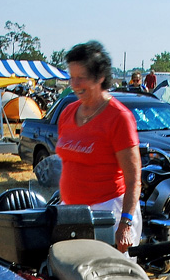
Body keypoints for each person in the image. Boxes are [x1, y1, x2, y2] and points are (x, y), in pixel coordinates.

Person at [56, 41, 141, 253]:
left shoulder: (119, 118)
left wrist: (125, 224)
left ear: (100, 77)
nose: (74, 84)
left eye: (81, 77)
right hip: (71, 212)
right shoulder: (67, 113)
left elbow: (133, 180)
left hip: (107, 214)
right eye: (72, 77)